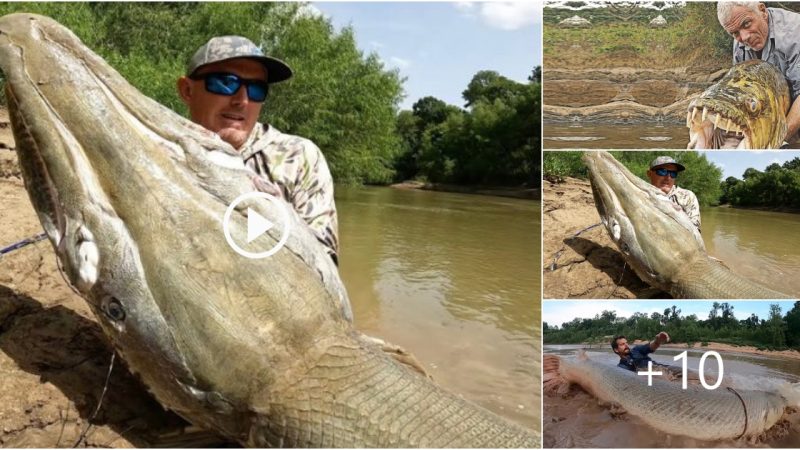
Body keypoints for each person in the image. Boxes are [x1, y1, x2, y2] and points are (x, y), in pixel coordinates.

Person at [176, 36, 340, 264]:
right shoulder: (160, 149)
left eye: (256, 89)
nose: (242, 100)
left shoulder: (299, 158)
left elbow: (324, 267)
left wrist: (274, 218)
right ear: (187, 90)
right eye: (225, 82)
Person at [717, 2, 800, 145]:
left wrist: (778, 140)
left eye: (747, 24)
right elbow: (741, 91)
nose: (744, 38)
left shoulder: (795, 32)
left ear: (762, 11)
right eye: (735, 33)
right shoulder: (740, 42)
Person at [646, 156, 701, 231]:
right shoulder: (641, 194)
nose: (668, 177)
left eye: (673, 173)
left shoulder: (688, 196)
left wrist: (679, 216)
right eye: (662, 171)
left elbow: (695, 231)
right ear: (649, 174)